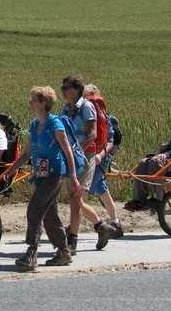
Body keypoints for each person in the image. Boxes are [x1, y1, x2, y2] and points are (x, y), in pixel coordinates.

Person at [5, 86, 81, 270]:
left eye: (34, 101)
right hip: (41, 175)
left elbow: (67, 151)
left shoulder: (55, 125)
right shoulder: (34, 124)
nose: (30, 103)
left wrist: (73, 176)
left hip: (54, 175)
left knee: (34, 210)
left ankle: (32, 252)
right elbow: (27, 153)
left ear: (43, 104)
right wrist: (11, 170)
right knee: (49, 214)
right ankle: (63, 250)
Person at [60, 75, 116, 254]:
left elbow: (92, 134)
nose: (64, 91)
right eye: (63, 88)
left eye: (67, 88)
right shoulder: (65, 108)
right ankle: (101, 227)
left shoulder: (86, 106)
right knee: (73, 198)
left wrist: (79, 151)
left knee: (76, 198)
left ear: (77, 90)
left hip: (85, 156)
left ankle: (72, 242)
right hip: (71, 156)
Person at [124, 107, 171, 211]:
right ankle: (139, 200)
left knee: (156, 161)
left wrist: (168, 153)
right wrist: (166, 146)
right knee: (143, 162)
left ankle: (157, 199)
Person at [83, 84, 124, 238]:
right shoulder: (104, 116)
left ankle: (75, 229)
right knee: (102, 192)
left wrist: (99, 156)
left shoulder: (92, 116)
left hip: (94, 159)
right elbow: (111, 140)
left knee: (83, 195)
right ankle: (115, 223)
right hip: (100, 159)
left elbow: (109, 140)